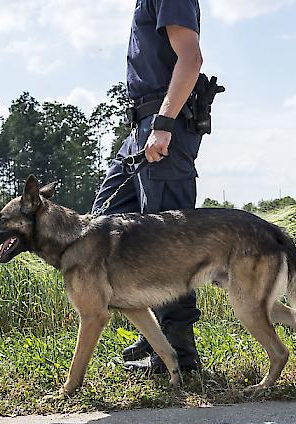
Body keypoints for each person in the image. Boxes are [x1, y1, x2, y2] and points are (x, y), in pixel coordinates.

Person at [91, 0, 205, 373]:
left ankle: (179, 352)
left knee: (166, 243)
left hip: (163, 125)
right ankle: (153, 330)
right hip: (141, 125)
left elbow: (191, 59)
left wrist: (164, 123)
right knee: (104, 221)